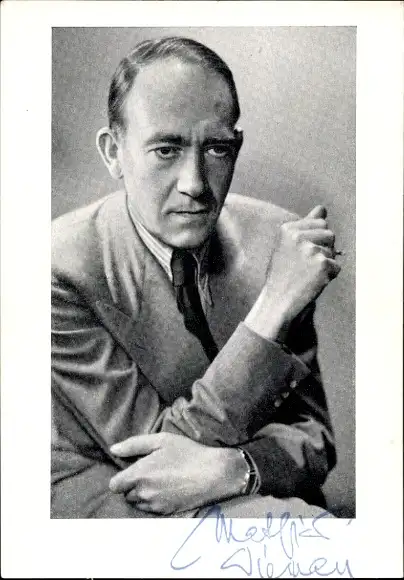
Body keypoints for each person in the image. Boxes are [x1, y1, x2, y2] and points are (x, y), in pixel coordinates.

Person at [51, 36, 341, 519]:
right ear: (113, 152)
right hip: (115, 499)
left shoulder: (275, 240)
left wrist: (238, 469)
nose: (195, 184)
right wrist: (273, 307)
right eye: (166, 150)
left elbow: (313, 436)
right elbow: (154, 461)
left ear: (236, 147)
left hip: (242, 491)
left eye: (216, 149)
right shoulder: (58, 268)